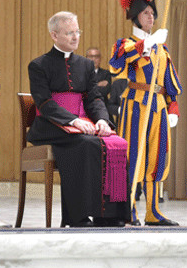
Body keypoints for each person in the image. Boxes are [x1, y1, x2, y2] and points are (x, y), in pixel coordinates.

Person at [27, 12, 129, 227]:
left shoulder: (85, 65)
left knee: (115, 143)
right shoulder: (38, 65)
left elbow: (94, 98)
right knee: (85, 143)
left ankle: (109, 215)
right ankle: (78, 217)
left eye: (77, 32)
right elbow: (44, 102)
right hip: (50, 125)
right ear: (54, 35)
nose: (75, 37)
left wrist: (102, 120)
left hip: (82, 124)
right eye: (69, 33)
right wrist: (72, 120)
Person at [110, 0, 182, 226]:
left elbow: (171, 84)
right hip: (136, 106)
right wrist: (147, 43)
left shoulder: (162, 49)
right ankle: (128, 209)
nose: (151, 17)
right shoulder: (127, 44)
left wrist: (173, 108)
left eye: (153, 13)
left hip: (159, 108)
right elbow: (117, 64)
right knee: (132, 158)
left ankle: (153, 211)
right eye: (146, 13)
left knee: (157, 158)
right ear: (136, 14)